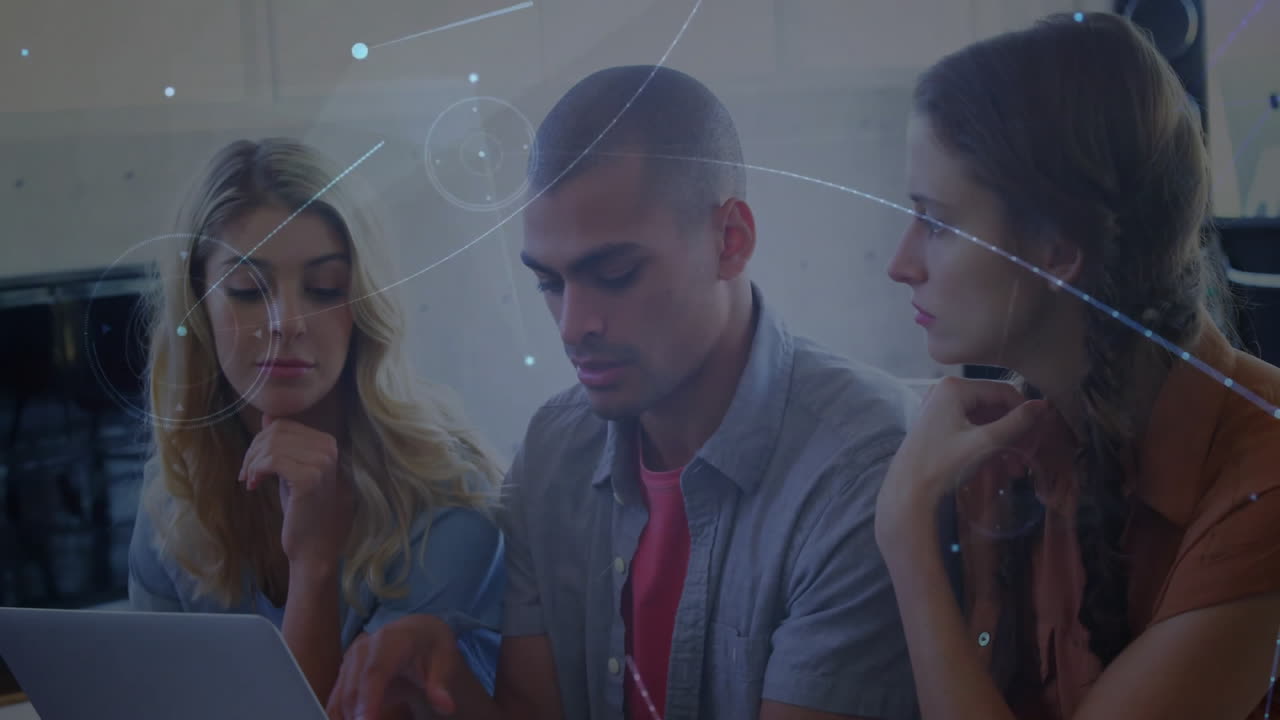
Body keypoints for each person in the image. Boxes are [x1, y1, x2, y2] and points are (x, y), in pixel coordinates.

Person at [329, 66, 922, 720]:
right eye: (549, 283)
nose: (573, 324)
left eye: (614, 273)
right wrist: (443, 690)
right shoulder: (554, 454)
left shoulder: (858, 467)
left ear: (731, 241)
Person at [877, 12, 1280, 720]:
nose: (899, 264)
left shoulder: (1264, 487)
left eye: (937, 222)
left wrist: (905, 534)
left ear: (1058, 253)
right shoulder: (1002, 446)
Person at [128, 138, 507, 708]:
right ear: (198, 305)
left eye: (325, 288)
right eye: (246, 291)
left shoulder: (449, 502)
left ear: (364, 301)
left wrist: (314, 564)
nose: (286, 323)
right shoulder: (175, 503)